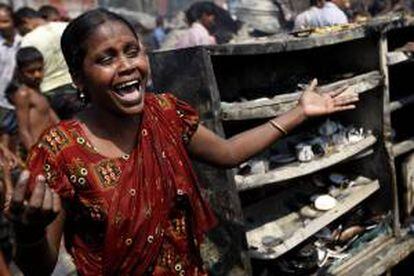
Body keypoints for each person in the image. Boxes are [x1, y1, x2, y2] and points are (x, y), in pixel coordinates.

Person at [7, 8, 359, 275]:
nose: (127, 65)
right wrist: (29, 233)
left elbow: (229, 152)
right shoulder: (60, 151)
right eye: (106, 58)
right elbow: (38, 267)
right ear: (78, 77)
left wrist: (299, 112)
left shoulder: (166, 113)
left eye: (132, 51)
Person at [13, 7, 81, 120]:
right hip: (75, 88)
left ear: (25, 22)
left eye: (21, 30)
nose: (22, 33)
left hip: (49, 93)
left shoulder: (28, 40)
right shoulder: (66, 28)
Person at [7, 47, 59, 151]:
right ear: (20, 72)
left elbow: (52, 117)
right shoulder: (23, 94)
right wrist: (36, 156)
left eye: (40, 69)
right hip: (40, 148)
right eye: (31, 71)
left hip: (53, 145)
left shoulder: (37, 90)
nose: (37, 75)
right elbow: (23, 130)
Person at [0, 3, 21, 110]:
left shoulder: (24, 41)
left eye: (5, 21)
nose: (1, 26)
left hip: (19, 102)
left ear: (14, 21)